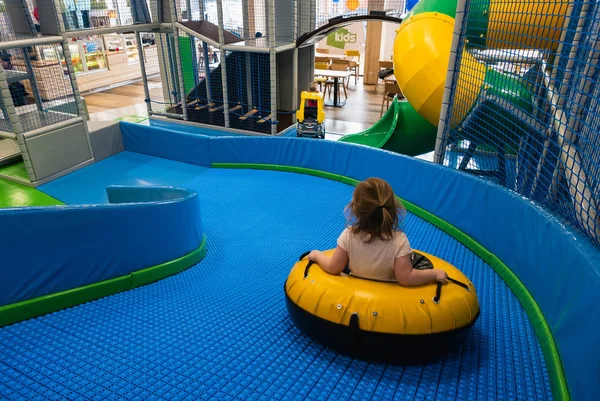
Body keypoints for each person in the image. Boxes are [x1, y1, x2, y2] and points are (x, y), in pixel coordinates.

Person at [307, 178, 448, 285]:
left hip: (355, 291)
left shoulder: (348, 235)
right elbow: (406, 277)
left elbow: (333, 267)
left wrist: (316, 255)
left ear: (356, 210)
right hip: (388, 302)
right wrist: (434, 274)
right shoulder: (399, 241)